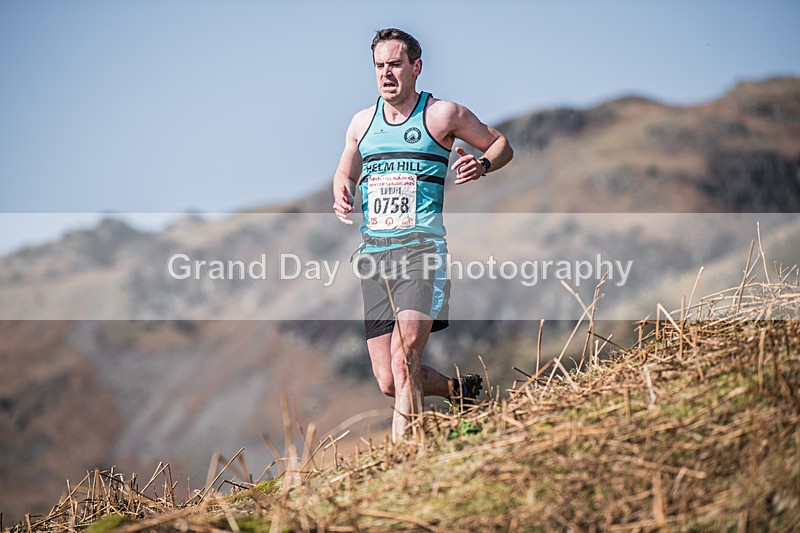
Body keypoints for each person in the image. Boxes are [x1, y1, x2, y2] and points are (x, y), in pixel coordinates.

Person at [332, 28, 513, 442]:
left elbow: (502, 144)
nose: (386, 74)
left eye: (395, 65)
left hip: (422, 253)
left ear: (416, 67)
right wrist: (341, 189)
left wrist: (483, 164)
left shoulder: (442, 115)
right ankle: (457, 391)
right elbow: (346, 168)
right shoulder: (362, 122)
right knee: (388, 380)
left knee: (404, 358)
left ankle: (403, 463)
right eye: (379, 66)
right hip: (375, 257)